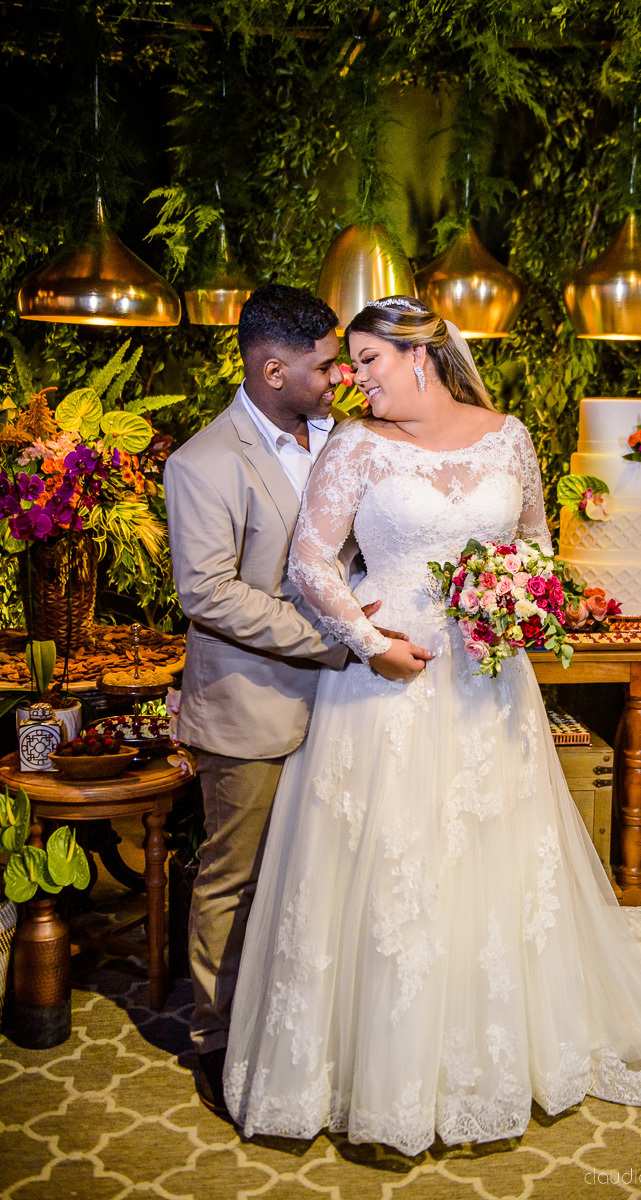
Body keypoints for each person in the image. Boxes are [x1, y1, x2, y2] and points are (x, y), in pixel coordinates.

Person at [223, 297, 641, 1155]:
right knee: (393, 861)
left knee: (492, 851)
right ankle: (376, 1068)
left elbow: (535, 543)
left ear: (420, 357)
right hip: (388, 681)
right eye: (348, 363)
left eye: (366, 360)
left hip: (487, 675)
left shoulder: (507, 436)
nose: (352, 380)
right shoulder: (354, 447)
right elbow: (308, 562)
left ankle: (497, 1048)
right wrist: (368, 643)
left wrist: (519, 600)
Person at [163, 284, 430, 1116]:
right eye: (324, 367)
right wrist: (343, 635)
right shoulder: (201, 463)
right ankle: (216, 1035)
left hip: (353, 705)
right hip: (256, 706)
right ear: (273, 369)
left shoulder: (348, 438)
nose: (340, 380)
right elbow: (207, 594)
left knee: (322, 876)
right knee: (236, 880)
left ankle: (307, 1028)